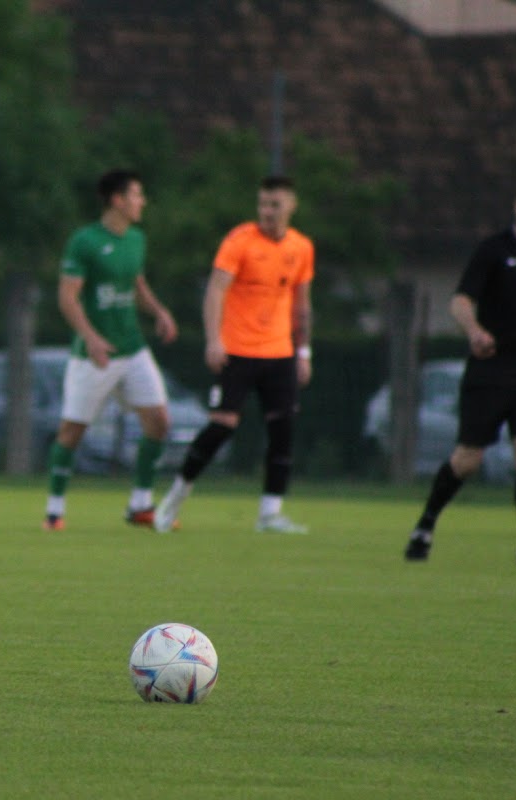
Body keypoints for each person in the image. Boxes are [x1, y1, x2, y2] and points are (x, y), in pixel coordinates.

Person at [154, 175, 314, 534]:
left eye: (275, 205)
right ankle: (174, 499)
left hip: (280, 353)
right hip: (238, 351)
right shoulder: (240, 241)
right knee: (222, 426)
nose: (267, 212)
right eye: (263, 204)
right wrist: (214, 340)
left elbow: (302, 304)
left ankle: (270, 513)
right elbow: (216, 291)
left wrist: (304, 351)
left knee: (283, 429)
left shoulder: (301, 247)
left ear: (291, 206)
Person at [43, 169, 179, 531]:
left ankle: (141, 505)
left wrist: (159, 312)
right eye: (136, 195)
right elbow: (67, 297)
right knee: (72, 431)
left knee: (159, 422)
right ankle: (54, 512)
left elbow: (136, 284)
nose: (142, 202)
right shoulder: (84, 241)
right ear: (117, 200)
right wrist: (90, 337)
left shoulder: (136, 239)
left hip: (132, 348)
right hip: (95, 355)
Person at [404, 188, 516, 563]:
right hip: (491, 369)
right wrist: (474, 331)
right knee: (467, 459)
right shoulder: (494, 251)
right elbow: (460, 301)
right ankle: (426, 524)